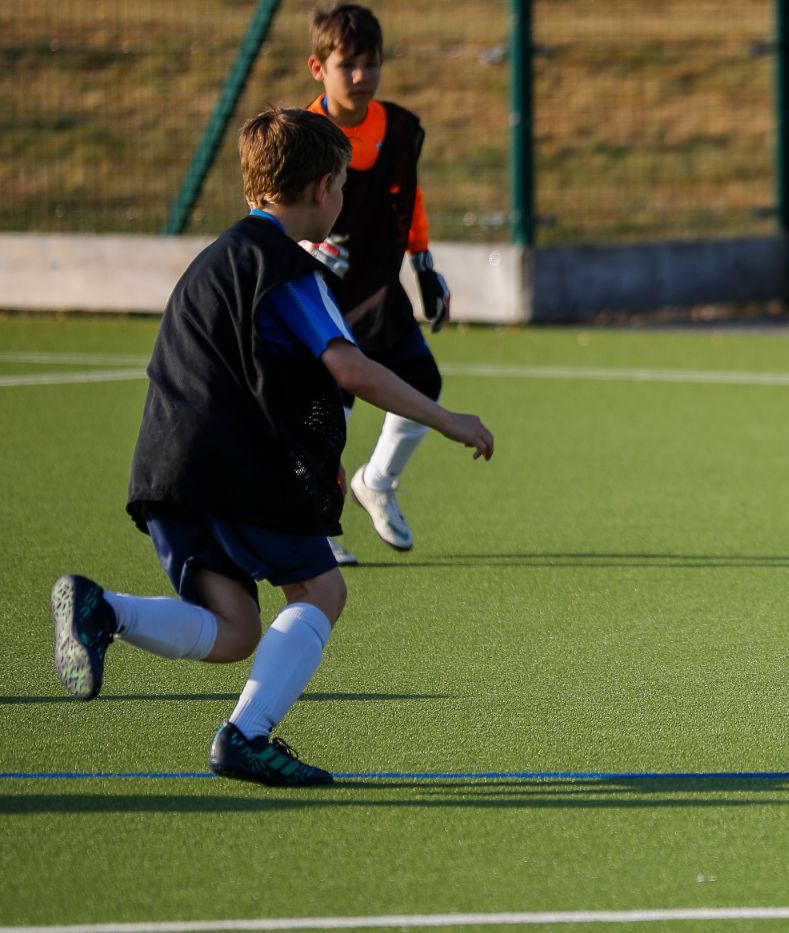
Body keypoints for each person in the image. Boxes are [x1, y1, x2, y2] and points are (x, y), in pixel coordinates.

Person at [50, 107, 493, 786]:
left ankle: (102, 608)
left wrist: (316, 464)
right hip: (234, 469)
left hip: (169, 469)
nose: (343, 199)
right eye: (342, 184)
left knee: (232, 629)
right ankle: (246, 735)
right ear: (321, 189)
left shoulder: (212, 262)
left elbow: (243, 377)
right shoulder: (287, 268)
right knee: (321, 588)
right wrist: (445, 417)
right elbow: (348, 366)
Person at [304, 2, 452, 566]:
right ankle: (314, 531)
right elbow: (269, 205)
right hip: (316, 298)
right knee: (325, 417)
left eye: (372, 63)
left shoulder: (401, 129)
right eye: (349, 65)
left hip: (379, 291)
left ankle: (377, 481)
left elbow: (409, 199)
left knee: (423, 386)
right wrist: (297, 248)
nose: (362, 76)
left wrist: (424, 263)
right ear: (318, 67)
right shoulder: (301, 135)